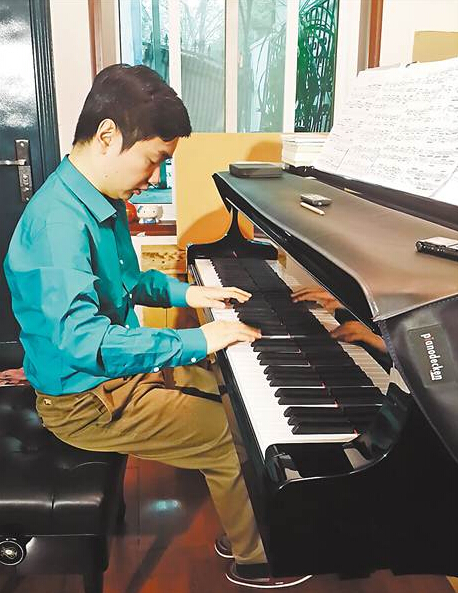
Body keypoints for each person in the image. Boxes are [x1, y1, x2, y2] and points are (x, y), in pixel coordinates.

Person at [4, 64, 310, 589]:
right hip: (83, 402)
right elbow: (83, 342)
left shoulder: (95, 200)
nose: (154, 178)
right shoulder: (58, 224)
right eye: (154, 160)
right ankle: (256, 558)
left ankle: (246, 521)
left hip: (111, 380)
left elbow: (129, 281)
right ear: (108, 136)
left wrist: (190, 294)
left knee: (229, 394)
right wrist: (198, 338)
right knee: (224, 434)